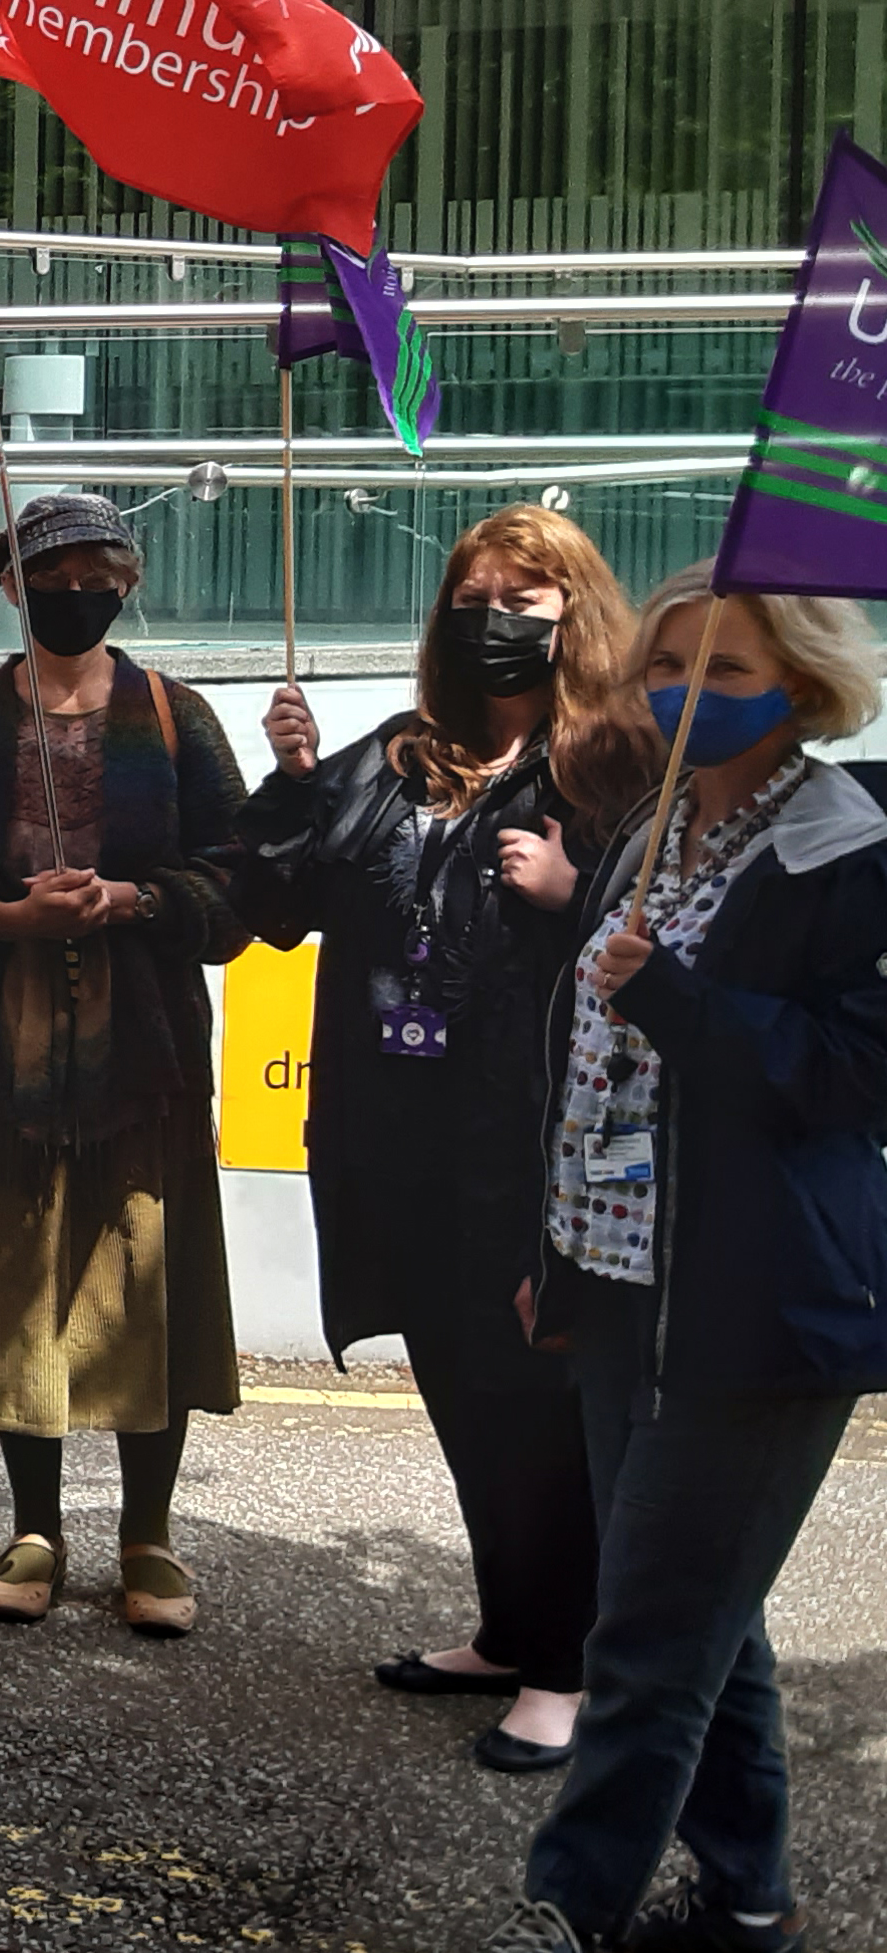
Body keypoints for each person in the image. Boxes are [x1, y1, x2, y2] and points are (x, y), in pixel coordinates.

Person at [487, 567, 887, 1953]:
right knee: (705, 1616)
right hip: (615, 1288)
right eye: (668, 664)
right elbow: (593, 1076)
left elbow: (849, 1077)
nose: (685, 694)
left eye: (726, 671)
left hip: (755, 1310)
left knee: (647, 1635)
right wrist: (560, 1251)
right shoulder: (652, 835)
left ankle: (565, 1907)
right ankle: (746, 1898)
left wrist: (677, 997)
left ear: (807, 680)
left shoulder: (849, 843)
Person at [235, 506, 656, 1774]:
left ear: (573, 612)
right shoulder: (399, 757)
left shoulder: (614, 766)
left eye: (525, 598)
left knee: (536, 1396)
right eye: (474, 595)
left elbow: (671, 940)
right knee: (460, 1387)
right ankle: (508, 1624)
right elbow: (277, 908)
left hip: (526, 1144)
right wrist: (296, 789)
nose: (495, 618)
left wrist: (573, 898)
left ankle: (566, 1665)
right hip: (390, 1133)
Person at [0, 491, 248, 1637]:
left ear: (130, 582)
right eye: (57, 570)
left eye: (101, 569)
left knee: (150, 1293)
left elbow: (237, 886)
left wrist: (139, 897)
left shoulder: (177, 716)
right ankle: (35, 1523)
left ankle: (149, 1535)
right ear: (13, 584)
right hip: (5, 1067)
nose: (79, 588)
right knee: (20, 1296)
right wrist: (4, 919)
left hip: (143, 1062)